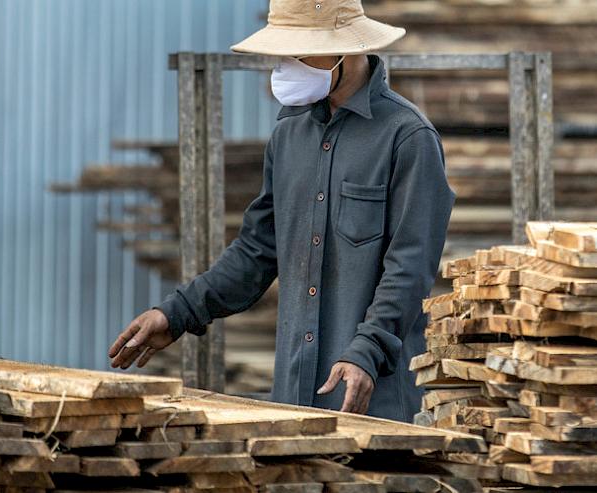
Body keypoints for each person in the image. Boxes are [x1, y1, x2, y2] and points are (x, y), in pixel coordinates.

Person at [109, 0, 456, 422]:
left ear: (344, 51)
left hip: (374, 401)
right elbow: (257, 249)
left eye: (298, 51)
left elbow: (411, 268)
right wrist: (177, 312)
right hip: (293, 396)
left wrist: (367, 351)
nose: (285, 65)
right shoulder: (289, 132)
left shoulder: (408, 138)